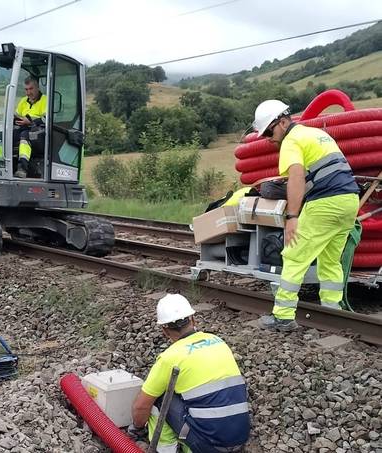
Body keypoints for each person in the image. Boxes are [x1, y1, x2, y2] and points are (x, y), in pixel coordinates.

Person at [252, 100, 359, 331]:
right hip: (349, 201)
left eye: (269, 132)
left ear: (282, 122)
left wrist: (292, 217)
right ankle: (333, 312)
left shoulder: (291, 141)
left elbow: (297, 178)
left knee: (294, 255)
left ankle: (283, 317)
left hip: (325, 203)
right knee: (330, 260)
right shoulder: (315, 134)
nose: (268, 138)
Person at [131, 294, 250, 453]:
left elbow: (141, 407)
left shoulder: (170, 357)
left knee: (159, 397)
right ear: (193, 320)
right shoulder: (218, 341)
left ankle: (165, 450)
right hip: (240, 437)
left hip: (209, 447)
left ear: (164, 330)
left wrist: (138, 429)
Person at [13, 76, 47, 178]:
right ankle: (2, 164)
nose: (28, 93)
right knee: (5, 135)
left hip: (40, 131)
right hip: (24, 127)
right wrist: (16, 120)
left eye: (31, 89)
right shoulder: (23, 101)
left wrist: (30, 121)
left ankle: (22, 168)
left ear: (37, 88)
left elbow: (47, 119)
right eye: (26, 89)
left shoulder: (45, 100)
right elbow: (16, 115)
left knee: (25, 135)